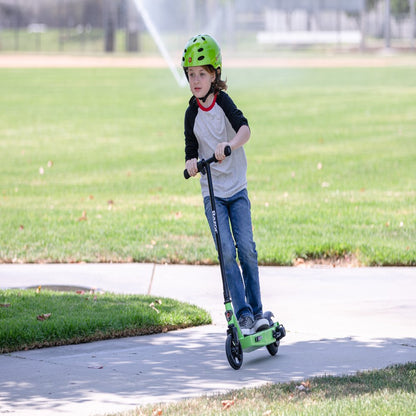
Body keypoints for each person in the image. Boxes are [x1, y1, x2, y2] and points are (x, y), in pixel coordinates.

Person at [182, 34, 269, 336]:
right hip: (213, 194)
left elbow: (245, 129)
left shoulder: (224, 103)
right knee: (227, 252)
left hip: (236, 189)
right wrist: (190, 164)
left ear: (214, 75)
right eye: (191, 74)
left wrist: (229, 145)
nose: (196, 80)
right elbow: (190, 151)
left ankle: (258, 312)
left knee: (246, 248)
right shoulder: (191, 113)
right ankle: (242, 315)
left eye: (201, 74)